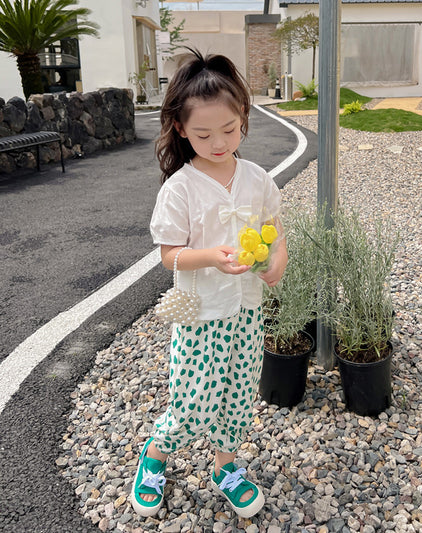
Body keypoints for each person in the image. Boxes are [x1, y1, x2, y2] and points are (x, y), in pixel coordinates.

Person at [130, 49, 288, 519]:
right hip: (201, 315)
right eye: (203, 134)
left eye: (229, 129)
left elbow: (276, 233)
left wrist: (275, 265)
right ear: (180, 129)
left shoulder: (258, 179)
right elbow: (168, 255)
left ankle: (226, 468)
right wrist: (211, 259)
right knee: (193, 400)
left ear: (243, 117)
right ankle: (155, 457)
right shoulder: (180, 187)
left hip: (246, 311)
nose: (219, 143)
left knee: (238, 396)